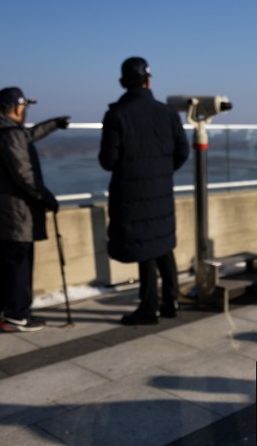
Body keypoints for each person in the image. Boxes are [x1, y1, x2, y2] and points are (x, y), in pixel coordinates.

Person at [99, 57, 190, 325]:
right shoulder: (168, 113)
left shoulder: (116, 115)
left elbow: (108, 161)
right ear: (148, 81)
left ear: (122, 83)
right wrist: (161, 172)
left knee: (145, 248)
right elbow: (182, 151)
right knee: (162, 243)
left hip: (131, 194)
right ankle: (171, 300)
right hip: (161, 189)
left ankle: (149, 309)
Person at [0, 87, 70, 332]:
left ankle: (6, 312)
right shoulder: (11, 134)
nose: (25, 110)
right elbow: (24, 174)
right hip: (15, 214)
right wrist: (46, 197)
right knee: (19, 264)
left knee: (4, 264)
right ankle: (17, 315)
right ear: (17, 107)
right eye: (24, 106)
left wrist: (51, 125)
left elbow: (24, 136)